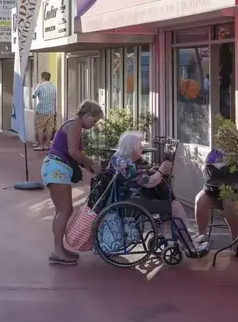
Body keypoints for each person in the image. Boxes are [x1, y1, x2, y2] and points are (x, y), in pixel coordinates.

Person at [110, 131, 206, 253]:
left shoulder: (118, 158)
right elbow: (148, 182)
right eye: (140, 145)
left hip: (126, 197)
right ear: (133, 148)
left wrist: (151, 170)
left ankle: (183, 239)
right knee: (170, 206)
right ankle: (188, 244)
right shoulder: (128, 164)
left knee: (169, 203)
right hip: (132, 202)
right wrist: (161, 171)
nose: (142, 147)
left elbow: (134, 178)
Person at [41, 101, 103, 265]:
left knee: (64, 210)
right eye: (94, 120)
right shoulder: (75, 125)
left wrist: (91, 168)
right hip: (57, 167)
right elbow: (74, 152)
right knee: (64, 209)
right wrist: (93, 164)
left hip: (56, 167)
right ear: (87, 115)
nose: (94, 124)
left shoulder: (74, 125)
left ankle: (59, 248)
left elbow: (75, 155)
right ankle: (57, 250)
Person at [194, 149, 238, 244]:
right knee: (200, 200)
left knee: (229, 204)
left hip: (232, 192)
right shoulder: (215, 153)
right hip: (213, 191)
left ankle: (235, 242)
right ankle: (202, 237)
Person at [31, 71, 58, 151]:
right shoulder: (53, 87)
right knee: (49, 128)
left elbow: (33, 96)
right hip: (51, 111)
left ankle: (40, 145)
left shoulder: (40, 86)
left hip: (41, 111)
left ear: (42, 78)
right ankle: (47, 144)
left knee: (40, 128)